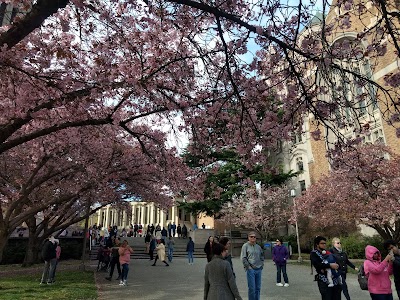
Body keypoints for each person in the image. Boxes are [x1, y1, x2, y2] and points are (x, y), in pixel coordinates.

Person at [310, 236, 341, 300]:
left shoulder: (328, 252)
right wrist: (329, 265)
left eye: (325, 243)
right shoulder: (314, 253)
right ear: (317, 244)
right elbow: (317, 264)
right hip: (324, 281)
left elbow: (336, 261)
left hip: (335, 280)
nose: (324, 245)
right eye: (322, 243)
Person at [240, 232, 264, 300]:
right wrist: (248, 267)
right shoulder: (245, 246)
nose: (253, 238)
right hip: (251, 269)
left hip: (258, 269)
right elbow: (243, 257)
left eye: (254, 237)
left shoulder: (258, 247)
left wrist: (262, 264)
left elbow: (262, 256)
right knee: (252, 288)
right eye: (251, 237)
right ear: (248, 237)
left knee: (258, 288)